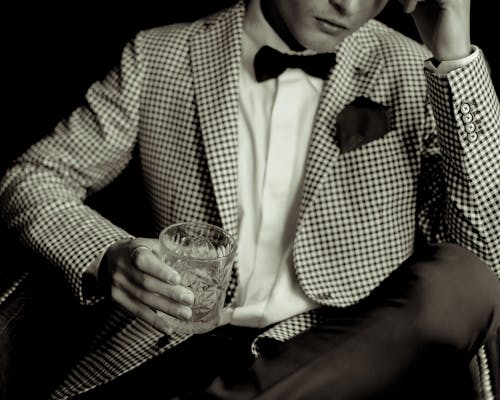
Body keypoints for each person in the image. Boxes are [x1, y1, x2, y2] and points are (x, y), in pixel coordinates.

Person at [1, 0, 499, 399]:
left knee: (467, 281)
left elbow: (484, 250)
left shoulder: (418, 70)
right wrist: (106, 254)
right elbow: (33, 176)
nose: (348, 6)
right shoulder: (158, 56)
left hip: (352, 354)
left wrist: (454, 56)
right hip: (175, 348)